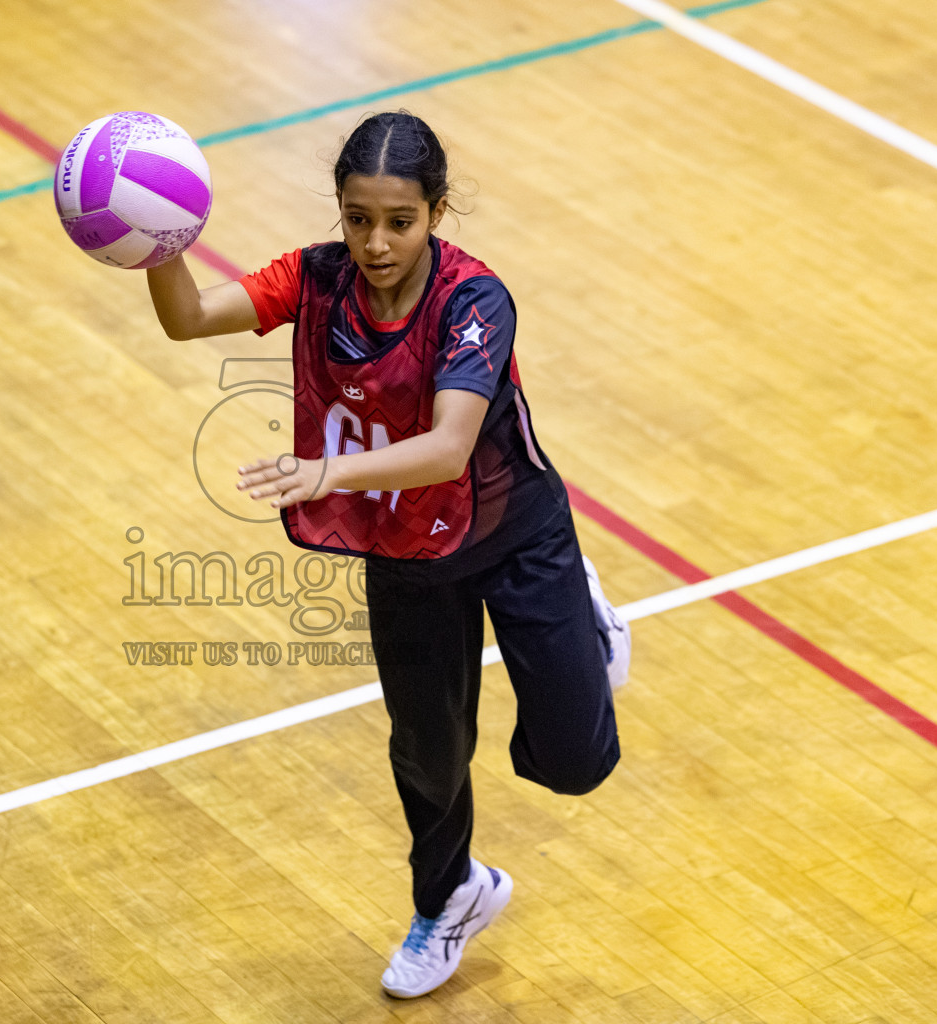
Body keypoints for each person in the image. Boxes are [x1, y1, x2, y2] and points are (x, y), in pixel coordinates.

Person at [144, 110, 629, 999]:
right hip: (406, 553)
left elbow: (448, 449)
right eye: (357, 218)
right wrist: (154, 239)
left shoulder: (475, 300)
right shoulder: (315, 278)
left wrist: (326, 470)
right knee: (428, 752)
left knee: (573, 763)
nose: (374, 242)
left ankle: (584, 618)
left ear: (436, 214)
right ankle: (452, 896)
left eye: (398, 222)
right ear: (339, 211)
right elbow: (186, 318)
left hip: (511, 535)